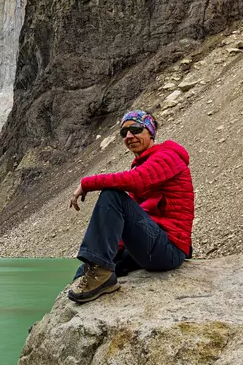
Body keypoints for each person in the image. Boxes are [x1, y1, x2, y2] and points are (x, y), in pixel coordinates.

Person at [67, 110, 195, 303]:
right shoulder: (142, 163)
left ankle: (101, 278)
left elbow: (136, 180)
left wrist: (87, 183)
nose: (129, 136)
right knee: (88, 268)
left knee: (112, 195)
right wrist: (106, 256)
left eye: (135, 129)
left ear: (150, 132)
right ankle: (93, 280)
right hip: (153, 242)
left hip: (169, 249)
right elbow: (132, 218)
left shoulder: (167, 156)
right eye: (123, 133)